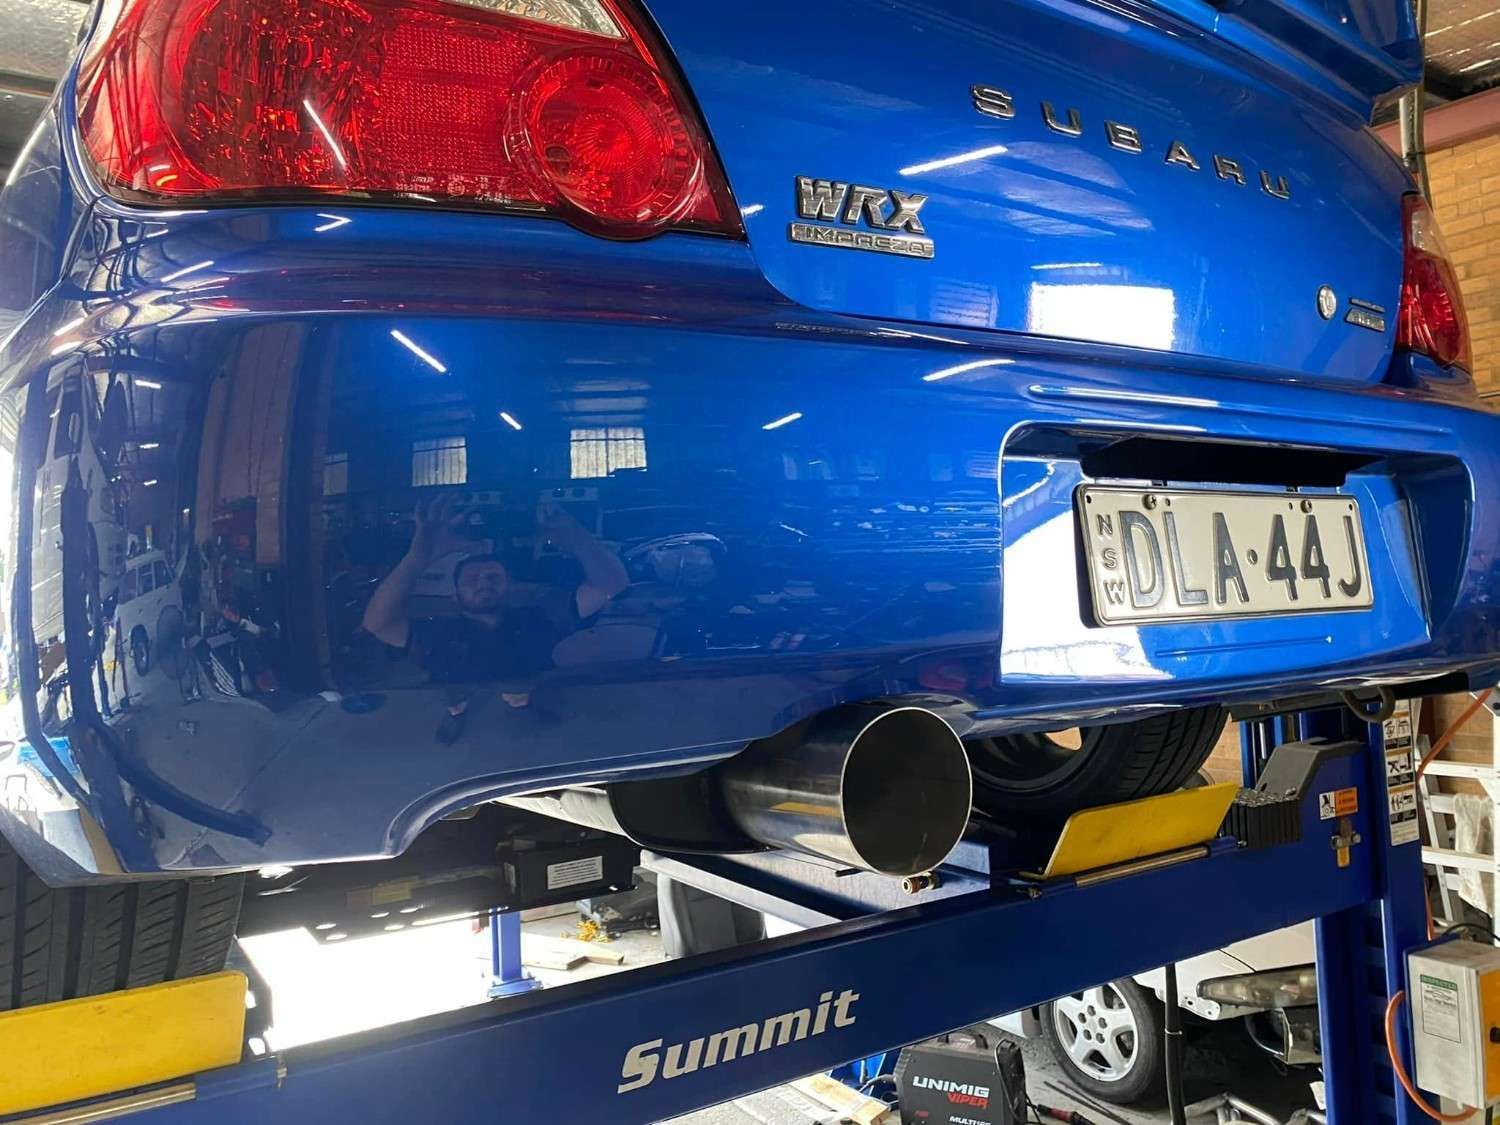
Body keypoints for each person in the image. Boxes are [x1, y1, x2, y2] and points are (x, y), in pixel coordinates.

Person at [361, 494, 628, 741]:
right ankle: (457, 715)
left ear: (509, 588)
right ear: (454, 595)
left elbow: (611, 585)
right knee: (455, 709)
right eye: (471, 579)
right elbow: (377, 624)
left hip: (543, 711)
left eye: (493, 577)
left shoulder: (541, 617)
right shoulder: (437, 632)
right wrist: (417, 558)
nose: (483, 583)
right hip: (459, 708)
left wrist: (580, 540)